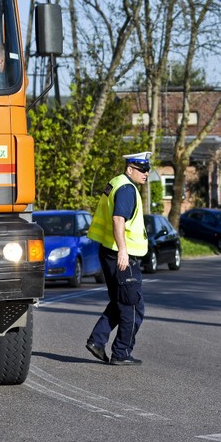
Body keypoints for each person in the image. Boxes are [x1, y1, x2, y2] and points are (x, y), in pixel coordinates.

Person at [85, 151, 151, 366]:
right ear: (130, 169)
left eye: (148, 170)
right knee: (133, 307)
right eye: (142, 169)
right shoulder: (126, 189)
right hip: (122, 256)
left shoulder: (115, 182)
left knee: (120, 302)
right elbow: (118, 219)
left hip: (109, 252)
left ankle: (97, 341)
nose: (146, 173)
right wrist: (123, 250)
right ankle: (121, 353)